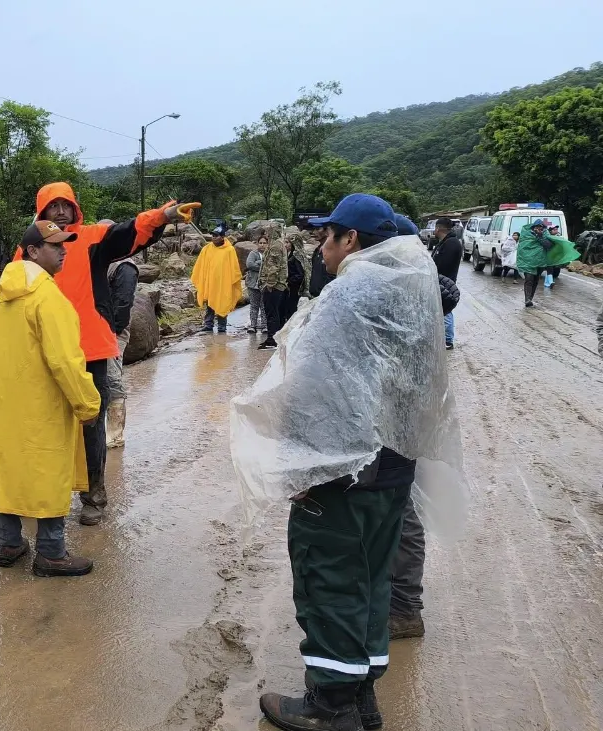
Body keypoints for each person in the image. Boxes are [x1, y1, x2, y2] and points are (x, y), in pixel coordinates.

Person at [236, 194, 459, 731]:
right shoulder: (411, 289)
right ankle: (362, 699)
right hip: (393, 471)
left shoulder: (351, 293)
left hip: (344, 475)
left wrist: (302, 470)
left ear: (350, 240)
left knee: (330, 580)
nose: (320, 245)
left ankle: (330, 708)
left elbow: (313, 388)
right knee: (371, 581)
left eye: (326, 236)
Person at [18, 182, 199, 525]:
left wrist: (161, 216)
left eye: (66, 205)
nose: (60, 211)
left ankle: (93, 496)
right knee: (44, 426)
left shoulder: (90, 238)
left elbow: (128, 232)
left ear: (75, 209)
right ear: (42, 212)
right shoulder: (30, 247)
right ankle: (45, 495)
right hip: (43, 352)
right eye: (52, 206)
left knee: (90, 424)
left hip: (89, 348)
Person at [0, 221, 101, 577]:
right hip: (45, 407)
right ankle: (51, 553)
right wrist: (87, 404)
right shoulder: (47, 298)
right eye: (55, 245)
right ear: (33, 251)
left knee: (10, 474)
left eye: (65, 244)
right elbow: (66, 361)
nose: (64, 250)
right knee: (49, 473)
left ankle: (10, 545)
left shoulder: (3, 298)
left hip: (9, 409)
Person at [105, 253, 139, 449]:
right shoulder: (103, 261)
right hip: (96, 330)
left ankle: (116, 433)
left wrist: (113, 329)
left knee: (112, 379)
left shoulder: (123, 266)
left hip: (112, 332)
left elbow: (123, 303)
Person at [192, 224, 243, 334]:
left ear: (222, 237)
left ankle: (221, 326)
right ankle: (208, 324)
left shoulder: (229, 250)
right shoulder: (206, 249)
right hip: (210, 282)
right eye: (213, 235)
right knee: (209, 303)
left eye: (216, 235)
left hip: (222, 283)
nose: (213, 237)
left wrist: (231, 280)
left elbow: (234, 268)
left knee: (222, 302)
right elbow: (200, 265)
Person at [431, 218, 462, 350]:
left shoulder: (452, 244)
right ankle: (442, 337)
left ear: (438, 228)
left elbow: (444, 264)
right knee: (440, 309)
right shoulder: (445, 242)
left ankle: (448, 340)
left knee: (446, 310)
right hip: (441, 281)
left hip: (445, 283)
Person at [257, 230, 289, 349]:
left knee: (272, 313)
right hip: (278, 285)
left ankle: (272, 339)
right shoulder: (278, 244)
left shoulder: (275, 246)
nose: (267, 233)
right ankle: (274, 337)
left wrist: (269, 284)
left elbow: (273, 266)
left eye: (268, 230)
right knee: (275, 312)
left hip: (274, 286)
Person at [282, 235, 307, 324]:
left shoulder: (296, 256)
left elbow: (300, 274)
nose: (285, 245)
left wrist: (289, 282)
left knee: (292, 310)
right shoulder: (291, 254)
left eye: (287, 242)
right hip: (291, 288)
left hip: (294, 289)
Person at [244, 236, 265, 333]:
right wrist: (262, 263)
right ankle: (253, 325)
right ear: (257, 244)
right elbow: (249, 264)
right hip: (253, 283)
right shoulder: (253, 253)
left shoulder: (269, 254)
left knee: (264, 305)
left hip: (265, 284)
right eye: (260, 243)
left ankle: (265, 325)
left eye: (264, 243)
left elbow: (269, 266)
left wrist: (258, 263)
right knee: (254, 306)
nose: (262, 245)